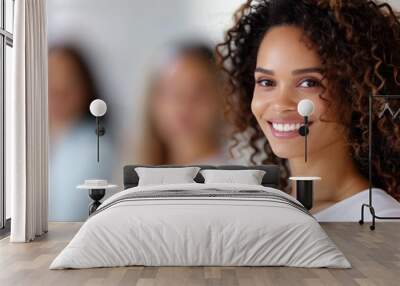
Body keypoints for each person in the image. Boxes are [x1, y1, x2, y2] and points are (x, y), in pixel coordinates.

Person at [217, 0, 400, 221]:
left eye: (308, 83)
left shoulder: (379, 219)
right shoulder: (264, 209)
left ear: (354, 92)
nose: (280, 103)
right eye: (266, 82)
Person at [136, 41, 232, 165]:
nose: (184, 104)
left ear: (222, 99)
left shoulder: (233, 177)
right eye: (172, 90)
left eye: (199, 91)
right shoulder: (137, 174)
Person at [48, 46, 114, 221]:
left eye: (69, 81)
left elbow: (66, 218)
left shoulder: (94, 148)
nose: (58, 92)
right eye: (49, 79)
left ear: (86, 88)